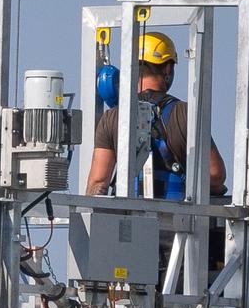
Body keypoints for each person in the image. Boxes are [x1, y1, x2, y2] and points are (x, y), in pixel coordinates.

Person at [85, 31, 226, 199]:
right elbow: (216, 174)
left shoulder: (112, 117)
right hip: (177, 221)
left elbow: (98, 183)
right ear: (168, 68)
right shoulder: (185, 114)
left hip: (127, 220)